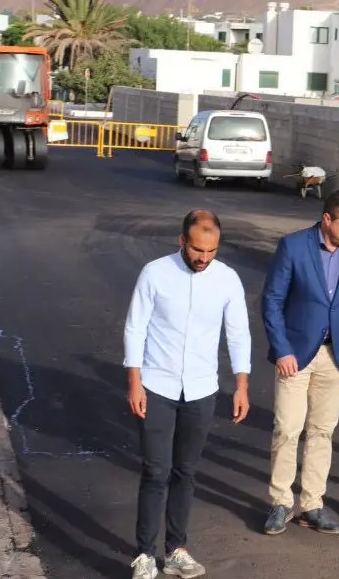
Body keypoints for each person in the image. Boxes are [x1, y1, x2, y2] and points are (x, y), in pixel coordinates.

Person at [123, 209, 252, 579]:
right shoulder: (155, 273)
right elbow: (135, 328)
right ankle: (145, 555)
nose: (204, 258)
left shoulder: (227, 280)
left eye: (211, 251)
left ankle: (176, 550)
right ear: (182, 241)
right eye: (197, 250)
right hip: (157, 386)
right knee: (155, 471)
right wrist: (134, 382)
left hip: (201, 390)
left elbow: (238, 334)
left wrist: (241, 385)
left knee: (186, 472)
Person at [261, 188, 339, 536]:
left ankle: (312, 504)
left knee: (322, 431)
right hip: (295, 355)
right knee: (287, 429)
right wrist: (282, 348)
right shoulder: (293, 246)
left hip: (337, 354)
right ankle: (280, 502)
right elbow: (271, 301)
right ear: (327, 220)